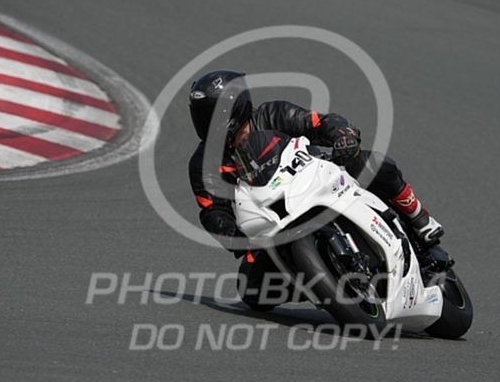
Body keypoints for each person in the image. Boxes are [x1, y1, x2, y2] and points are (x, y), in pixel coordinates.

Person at [188, 69, 443, 309]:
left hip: (317, 181)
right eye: (201, 115)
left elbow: (318, 123)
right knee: (252, 289)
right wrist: (234, 234)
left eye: (212, 114)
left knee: (368, 163)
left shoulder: (272, 114)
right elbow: (212, 210)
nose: (207, 122)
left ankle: (418, 218)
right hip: (272, 220)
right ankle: (321, 282)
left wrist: (341, 135)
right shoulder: (203, 162)